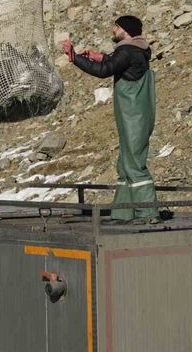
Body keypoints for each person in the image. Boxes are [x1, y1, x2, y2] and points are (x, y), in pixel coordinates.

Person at [62, 15, 159, 224]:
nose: (113, 30)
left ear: (126, 29)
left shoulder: (127, 51)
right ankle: (124, 212)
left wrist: (75, 57)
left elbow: (105, 71)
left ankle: (148, 213)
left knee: (134, 163)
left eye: (116, 26)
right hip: (133, 115)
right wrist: (101, 57)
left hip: (133, 115)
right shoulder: (136, 50)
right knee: (125, 164)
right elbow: (117, 64)